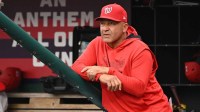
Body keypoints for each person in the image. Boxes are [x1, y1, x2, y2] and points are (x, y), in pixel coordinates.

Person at [71, 3, 172, 112]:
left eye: (111, 24)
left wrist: (108, 71)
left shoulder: (140, 49)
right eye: (102, 24)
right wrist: (100, 76)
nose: (105, 29)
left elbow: (139, 88)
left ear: (124, 27)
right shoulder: (97, 43)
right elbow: (76, 67)